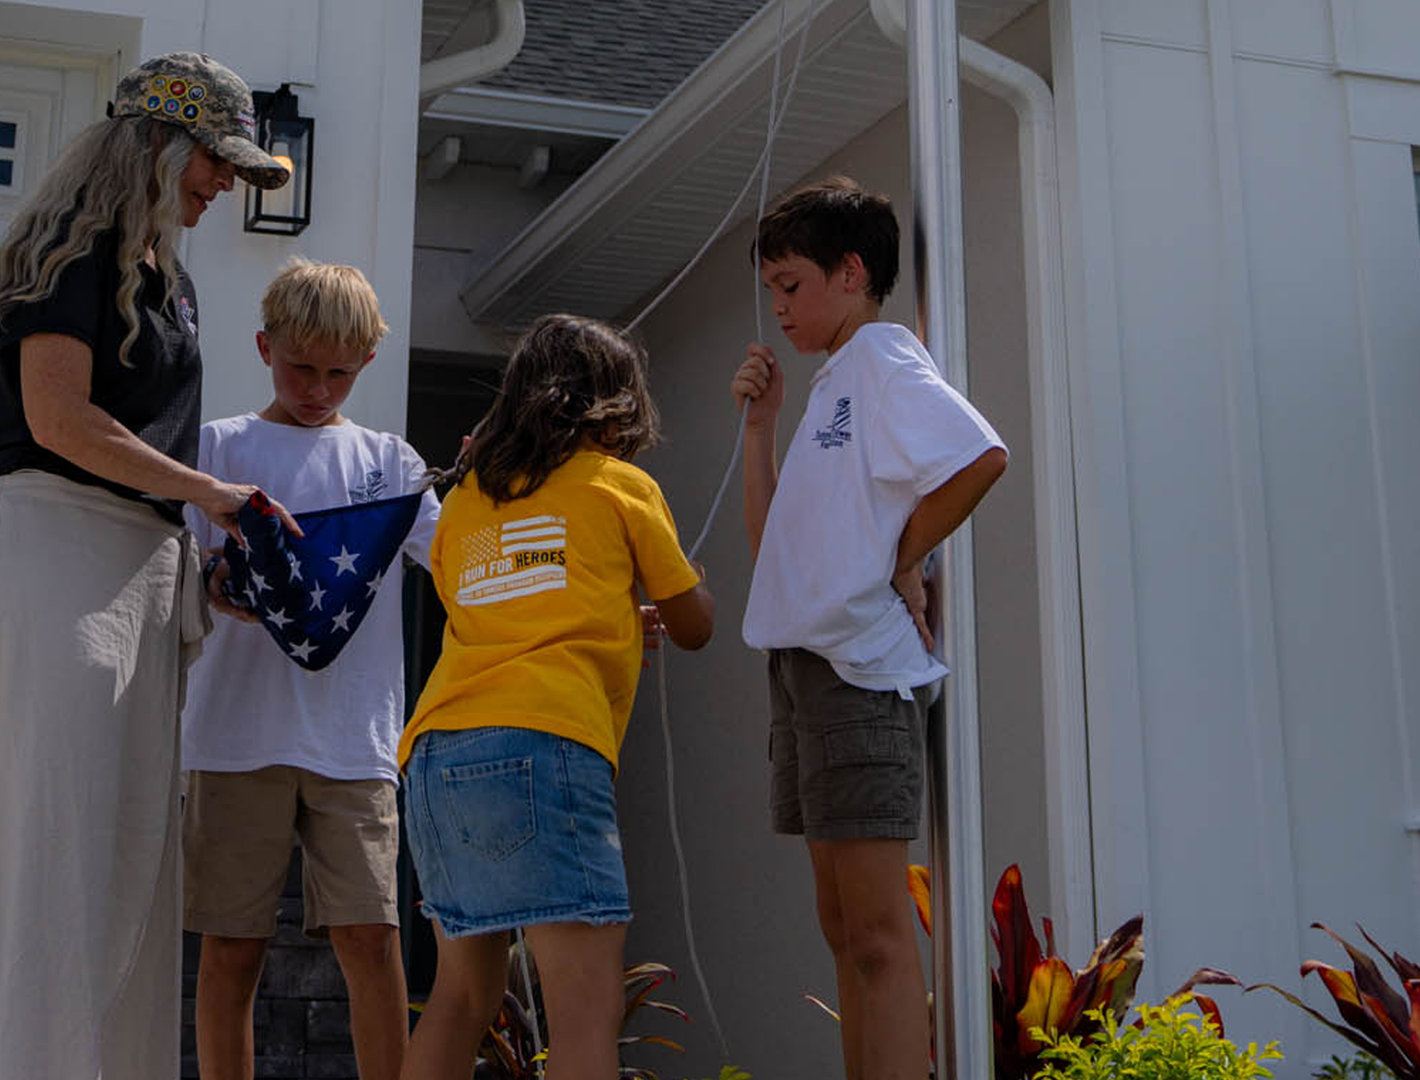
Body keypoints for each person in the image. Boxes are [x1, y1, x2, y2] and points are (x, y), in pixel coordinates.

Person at [0, 53, 297, 1080]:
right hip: (57, 565)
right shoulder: (71, 254)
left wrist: (200, 570)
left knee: (118, 863)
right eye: (216, 160)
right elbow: (60, 422)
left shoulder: (172, 280)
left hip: (138, 575)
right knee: (53, 845)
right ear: (157, 146)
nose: (225, 184)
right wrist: (211, 493)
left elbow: (138, 450)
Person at [729, 176, 1008, 1080]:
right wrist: (761, 430)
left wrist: (901, 557)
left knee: (878, 934)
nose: (779, 308)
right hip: (806, 667)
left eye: (792, 285)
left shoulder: (882, 357)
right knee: (844, 929)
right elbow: (774, 551)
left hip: (858, 674)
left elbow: (980, 455)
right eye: (772, 289)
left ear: (852, 274)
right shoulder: (830, 385)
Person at [397, 315, 715, 1080]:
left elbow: (494, 605)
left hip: (438, 751)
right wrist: (673, 592)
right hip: (547, 742)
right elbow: (695, 626)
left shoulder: (465, 500)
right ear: (616, 407)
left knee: (460, 997)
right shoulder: (620, 485)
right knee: (585, 1009)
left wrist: (608, 611)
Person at [182, 258, 437, 1080]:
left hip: (355, 742)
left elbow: (463, 568)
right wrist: (209, 581)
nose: (319, 389)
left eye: (340, 373)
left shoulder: (393, 464)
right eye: (300, 367)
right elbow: (166, 570)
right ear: (264, 347)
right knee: (231, 949)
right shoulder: (215, 449)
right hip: (232, 736)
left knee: (373, 939)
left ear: (368, 362)